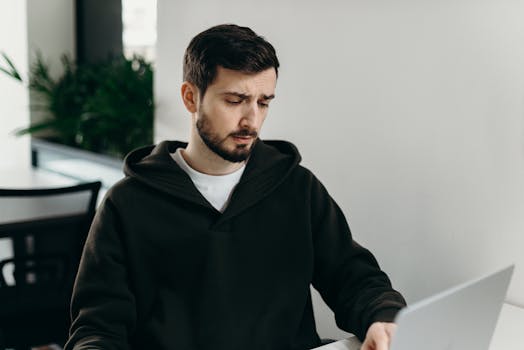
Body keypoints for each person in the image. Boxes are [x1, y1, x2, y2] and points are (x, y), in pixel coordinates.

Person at [65, 24, 406, 350]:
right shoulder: (127, 205)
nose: (252, 120)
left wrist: (382, 317)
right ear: (190, 97)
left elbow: (355, 279)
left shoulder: (298, 189)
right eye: (234, 100)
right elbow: (98, 327)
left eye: (264, 102)